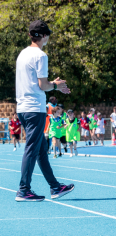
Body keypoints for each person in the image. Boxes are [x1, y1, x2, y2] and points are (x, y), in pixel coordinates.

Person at [15, 20, 74, 201]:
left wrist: (52, 85)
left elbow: (37, 83)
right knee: (32, 149)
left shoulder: (22, 54)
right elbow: (43, 85)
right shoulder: (41, 56)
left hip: (23, 108)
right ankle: (23, 189)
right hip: (35, 109)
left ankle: (55, 187)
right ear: (44, 36)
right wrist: (56, 85)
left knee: (40, 150)